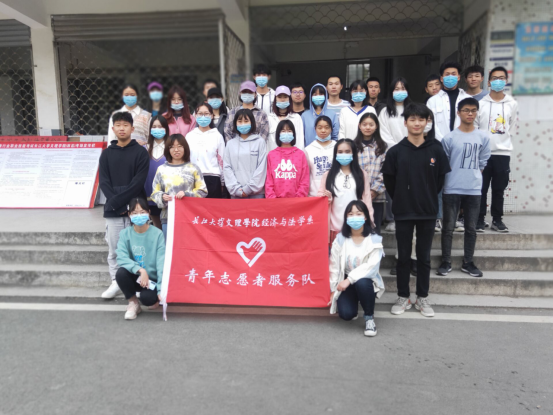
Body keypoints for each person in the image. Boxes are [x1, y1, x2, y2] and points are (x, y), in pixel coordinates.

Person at [382, 103, 451, 318]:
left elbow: (440, 180)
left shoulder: (436, 149)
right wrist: (403, 197)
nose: (417, 123)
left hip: (427, 211)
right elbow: (389, 181)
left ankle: (422, 297)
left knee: (424, 257)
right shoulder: (395, 152)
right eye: (412, 119)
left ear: (427, 122)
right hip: (403, 211)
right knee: (403, 257)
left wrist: (426, 196)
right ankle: (403, 296)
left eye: (421, 119)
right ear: (405, 122)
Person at [438, 98, 491, 278]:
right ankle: (446, 261)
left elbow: (483, 161)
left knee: (471, 228)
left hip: (473, 189)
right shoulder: (449, 138)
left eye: (473, 110)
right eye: (466, 110)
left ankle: (468, 262)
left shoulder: (483, 137)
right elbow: (444, 163)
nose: (470, 113)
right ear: (458, 112)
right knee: (448, 228)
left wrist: (472, 176)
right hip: (451, 187)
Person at [99, 112, 150, 299]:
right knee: (114, 248)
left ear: (132, 128)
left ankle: (137, 282)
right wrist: (118, 204)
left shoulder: (140, 152)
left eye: (125, 125)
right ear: (113, 129)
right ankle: (115, 281)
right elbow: (104, 182)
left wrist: (122, 203)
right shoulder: (106, 154)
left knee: (137, 248)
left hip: (135, 210)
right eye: (118, 125)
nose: (122, 128)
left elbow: (138, 183)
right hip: (113, 210)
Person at [328, 200, 386, 337]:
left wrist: (349, 280)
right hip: (345, 282)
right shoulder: (340, 239)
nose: (354, 217)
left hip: (365, 281)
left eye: (358, 213)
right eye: (351, 214)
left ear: (365, 217)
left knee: (362, 283)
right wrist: (333, 290)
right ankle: (354, 301)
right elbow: (334, 266)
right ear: (346, 218)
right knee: (346, 314)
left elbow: (371, 267)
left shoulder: (374, 240)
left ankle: (369, 318)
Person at [475, 66, 518, 233]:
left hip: (502, 153)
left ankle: (497, 220)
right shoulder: (481, 104)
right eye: (494, 78)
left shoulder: (512, 104)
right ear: (488, 82)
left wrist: (503, 142)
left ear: (506, 81)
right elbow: (476, 127)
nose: (498, 81)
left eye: (501, 78)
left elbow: (512, 127)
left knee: (499, 189)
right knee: (481, 188)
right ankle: (479, 219)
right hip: (483, 153)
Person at [115, 198, 165, 320]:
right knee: (121, 273)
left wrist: (160, 290)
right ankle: (133, 303)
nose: (139, 216)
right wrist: (141, 270)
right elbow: (121, 257)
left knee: (148, 299)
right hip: (135, 276)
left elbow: (161, 262)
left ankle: (151, 298)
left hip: (151, 280)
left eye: (142, 212)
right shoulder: (125, 233)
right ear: (129, 214)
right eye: (135, 213)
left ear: (148, 212)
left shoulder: (158, 234)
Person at [318, 138, 374, 246]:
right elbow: (320, 197)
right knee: (335, 256)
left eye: (347, 151)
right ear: (335, 154)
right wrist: (326, 198)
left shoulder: (362, 175)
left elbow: (367, 200)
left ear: (353, 153)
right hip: (334, 227)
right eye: (340, 152)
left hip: (356, 227)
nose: (344, 154)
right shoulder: (328, 175)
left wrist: (370, 222)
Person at [151, 134, 208, 238]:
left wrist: (187, 194)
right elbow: (154, 193)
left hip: (190, 218)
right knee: (169, 246)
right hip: (168, 217)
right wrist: (162, 197)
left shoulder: (193, 168)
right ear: (168, 150)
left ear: (185, 148)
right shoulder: (161, 169)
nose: (176, 150)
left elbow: (202, 191)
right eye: (172, 147)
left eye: (179, 146)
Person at [378, 77, 412, 234]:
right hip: (391, 154)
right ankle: (392, 219)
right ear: (391, 92)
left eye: (403, 88)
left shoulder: (413, 109)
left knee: (410, 186)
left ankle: (408, 216)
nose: (400, 92)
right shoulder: (385, 112)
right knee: (392, 186)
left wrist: (408, 148)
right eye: (396, 89)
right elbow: (383, 133)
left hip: (412, 152)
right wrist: (397, 150)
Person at [223, 108, 268, 199]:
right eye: (240, 121)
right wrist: (236, 189)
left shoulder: (260, 142)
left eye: (246, 121)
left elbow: (261, 168)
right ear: (235, 123)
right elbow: (227, 167)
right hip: (236, 193)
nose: (243, 124)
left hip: (256, 194)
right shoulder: (230, 144)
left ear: (252, 122)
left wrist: (248, 189)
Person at [354, 113, 387, 234]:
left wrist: (374, 190)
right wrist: (361, 191)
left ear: (376, 126)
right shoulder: (353, 146)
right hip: (357, 196)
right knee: (357, 228)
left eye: (371, 124)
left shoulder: (382, 147)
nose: (367, 127)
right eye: (364, 124)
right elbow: (350, 169)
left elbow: (386, 171)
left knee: (375, 228)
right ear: (359, 126)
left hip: (377, 197)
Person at [185, 103, 226, 198]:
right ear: (195, 115)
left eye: (206, 113)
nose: (203, 116)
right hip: (193, 178)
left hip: (213, 179)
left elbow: (222, 160)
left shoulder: (217, 136)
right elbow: (186, 159)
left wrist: (222, 182)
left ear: (212, 116)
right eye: (200, 113)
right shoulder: (189, 136)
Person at [265, 120, 309, 198]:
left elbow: (304, 180)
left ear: (293, 134)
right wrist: (272, 199)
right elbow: (268, 180)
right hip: (275, 201)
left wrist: (299, 198)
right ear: (278, 134)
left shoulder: (300, 154)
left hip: (297, 201)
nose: (286, 133)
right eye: (283, 131)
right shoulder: (271, 155)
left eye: (289, 131)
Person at [427, 61, 470, 141]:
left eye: (453, 74)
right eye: (447, 74)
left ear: (458, 77)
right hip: (439, 143)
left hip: (463, 142)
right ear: (441, 79)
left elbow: (473, 122)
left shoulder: (468, 99)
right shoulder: (432, 101)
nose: (450, 77)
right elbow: (431, 124)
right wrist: (443, 141)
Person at [144, 115, 169, 229]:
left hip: (167, 192)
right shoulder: (144, 148)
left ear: (166, 128)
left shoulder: (171, 147)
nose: (157, 129)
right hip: (149, 191)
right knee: (156, 225)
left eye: (160, 126)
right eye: (154, 126)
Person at [304, 116, 337, 197]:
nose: (323, 130)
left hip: (334, 193)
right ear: (315, 129)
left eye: (326, 127)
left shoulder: (337, 147)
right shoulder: (308, 150)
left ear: (331, 129)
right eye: (320, 127)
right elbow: (306, 174)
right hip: (314, 194)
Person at [267, 85, 305, 151]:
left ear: (289, 99)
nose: (282, 99)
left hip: (293, 155)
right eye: (279, 97)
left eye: (285, 97)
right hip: (274, 156)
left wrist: (298, 155)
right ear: (275, 99)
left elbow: (300, 141)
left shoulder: (296, 118)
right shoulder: (269, 118)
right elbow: (267, 143)